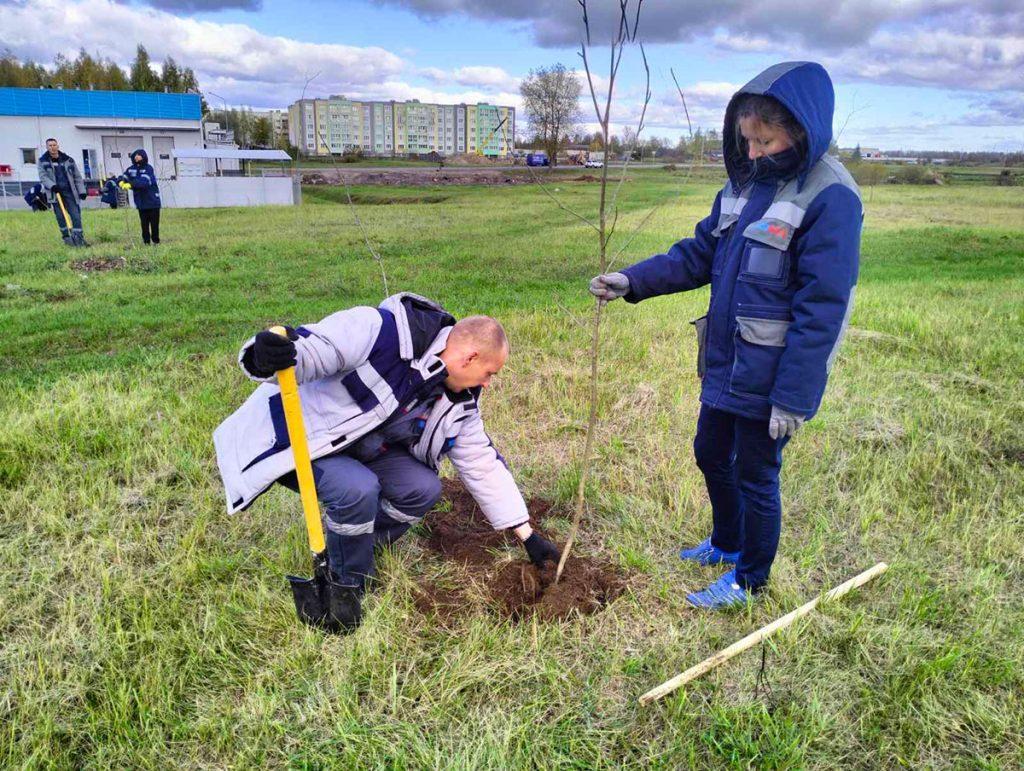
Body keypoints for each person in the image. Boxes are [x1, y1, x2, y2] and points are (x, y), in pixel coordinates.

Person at [590, 61, 862, 609]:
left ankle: (748, 581)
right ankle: (725, 542)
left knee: (758, 475)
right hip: (725, 360)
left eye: (767, 139)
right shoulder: (742, 186)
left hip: (772, 373)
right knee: (710, 452)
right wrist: (632, 279)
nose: (756, 151)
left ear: (802, 131)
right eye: (748, 139)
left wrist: (795, 395)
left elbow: (824, 308)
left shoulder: (830, 196)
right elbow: (700, 253)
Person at [214, 292, 560, 626]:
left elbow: (483, 466)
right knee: (357, 490)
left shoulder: (461, 403)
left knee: (422, 488)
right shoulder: (382, 331)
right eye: (489, 373)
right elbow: (313, 349)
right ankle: (350, 582)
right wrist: (268, 356)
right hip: (302, 440)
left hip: (363, 450)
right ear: (469, 358)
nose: (487, 384)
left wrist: (527, 536)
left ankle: (358, 545)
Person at [37, 138, 89, 246]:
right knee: (61, 217)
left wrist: (82, 191)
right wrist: (52, 186)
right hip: (55, 193)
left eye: (54, 145)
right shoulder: (43, 161)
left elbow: (77, 177)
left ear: (58, 146)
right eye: (50, 145)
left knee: (75, 215)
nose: (52, 147)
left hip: (70, 193)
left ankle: (79, 239)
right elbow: (43, 177)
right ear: (47, 147)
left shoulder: (68, 160)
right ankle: (67, 238)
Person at [119, 148, 162, 244]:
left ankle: (156, 241)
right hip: (141, 202)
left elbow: (144, 182)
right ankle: (146, 242)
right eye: (135, 155)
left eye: (139, 155)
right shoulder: (131, 169)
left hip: (152, 201)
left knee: (154, 224)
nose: (136, 157)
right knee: (144, 224)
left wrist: (131, 184)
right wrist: (121, 181)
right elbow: (124, 176)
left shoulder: (148, 168)